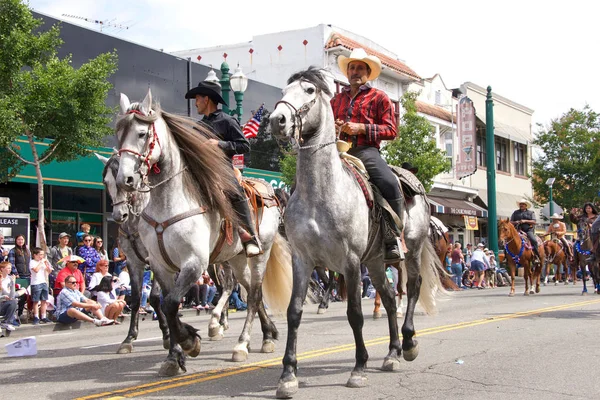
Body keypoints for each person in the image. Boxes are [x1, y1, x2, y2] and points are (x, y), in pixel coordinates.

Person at [330, 48, 403, 262]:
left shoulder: (379, 97)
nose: (354, 71)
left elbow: (391, 131)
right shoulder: (336, 100)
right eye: (351, 67)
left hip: (366, 151)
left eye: (359, 68)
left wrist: (361, 128)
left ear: (368, 72)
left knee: (389, 183)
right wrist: (334, 127)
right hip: (336, 150)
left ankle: (393, 237)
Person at [185, 80, 261, 257]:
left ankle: (250, 238)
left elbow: (244, 146)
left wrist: (219, 144)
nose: (195, 102)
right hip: (200, 170)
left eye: (197, 98)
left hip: (222, 170)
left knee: (235, 192)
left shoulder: (227, 121)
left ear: (207, 99)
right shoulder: (199, 125)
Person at [510, 199, 541, 264]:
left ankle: (536, 256)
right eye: (520, 204)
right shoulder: (515, 212)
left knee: (533, 240)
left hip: (528, 230)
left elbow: (534, 221)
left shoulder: (531, 213)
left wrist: (525, 221)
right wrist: (516, 222)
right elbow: (510, 222)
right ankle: (507, 257)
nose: (521, 205)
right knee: (508, 241)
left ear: (526, 205)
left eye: (523, 204)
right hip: (517, 230)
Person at [29, 247, 53, 324]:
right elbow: (35, 270)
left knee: (44, 300)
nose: (41, 256)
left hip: (43, 282)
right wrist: (41, 263)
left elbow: (48, 271)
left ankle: (43, 316)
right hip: (35, 283)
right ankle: (36, 316)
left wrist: (47, 265)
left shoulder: (42, 262)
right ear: (35, 255)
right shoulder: (32, 262)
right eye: (40, 255)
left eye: (42, 255)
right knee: (36, 301)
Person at [0, 261, 18, 330]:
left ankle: (6, 322)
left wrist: (13, 283)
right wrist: (3, 297)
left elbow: (11, 296)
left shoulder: (9, 279)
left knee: (13, 301)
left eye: (10, 268)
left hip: (4, 302)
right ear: (2, 269)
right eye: (8, 268)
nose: (10, 270)